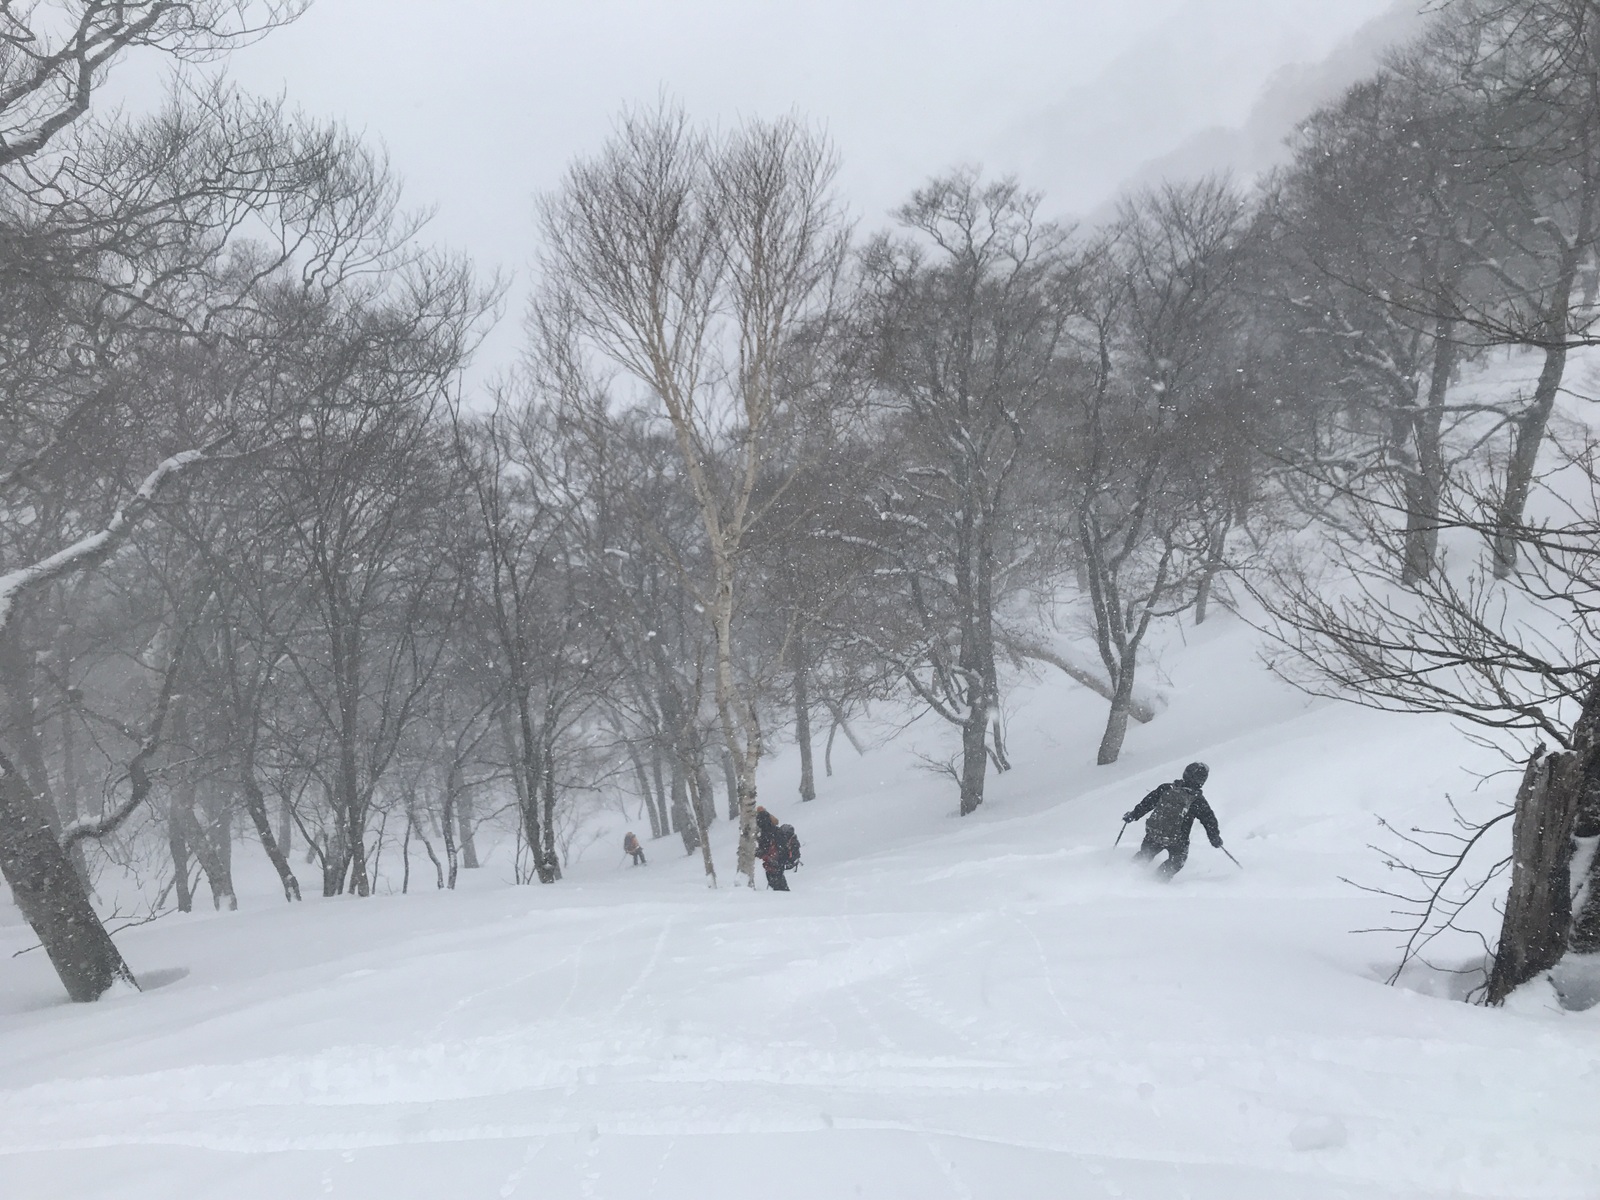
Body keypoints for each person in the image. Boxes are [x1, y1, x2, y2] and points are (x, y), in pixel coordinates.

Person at [1122, 761, 1223, 880]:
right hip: (1178, 840)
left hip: (1154, 834)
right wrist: (1214, 837)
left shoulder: (1166, 788)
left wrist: (1133, 815)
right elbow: (1209, 820)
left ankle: (1124, 875)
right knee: (1177, 861)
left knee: (1145, 855)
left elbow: (1147, 803)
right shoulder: (1197, 800)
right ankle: (1156, 881)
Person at [754, 805, 795, 891]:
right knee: (780, 883)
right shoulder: (775, 830)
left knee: (775, 883)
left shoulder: (762, 834)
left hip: (771, 862)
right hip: (778, 860)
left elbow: (763, 850)